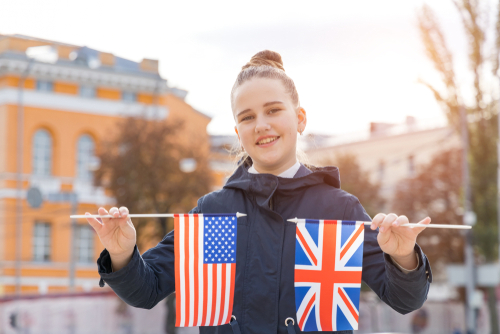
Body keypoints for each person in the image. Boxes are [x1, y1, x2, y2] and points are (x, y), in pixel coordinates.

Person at [86, 50, 433, 334]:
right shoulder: (215, 211)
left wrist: (403, 258)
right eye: (248, 117)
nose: (262, 125)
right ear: (238, 132)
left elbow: (404, 300)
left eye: (273, 110)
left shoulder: (337, 209)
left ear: (299, 118)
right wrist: (122, 255)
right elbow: (146, 290)